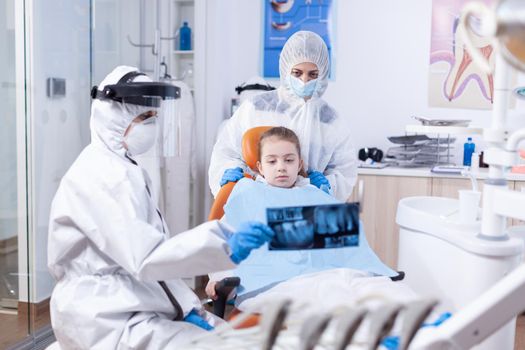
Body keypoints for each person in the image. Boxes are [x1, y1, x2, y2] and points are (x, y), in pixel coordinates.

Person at [47, 66, 274, 349]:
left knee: (230, 336)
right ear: (112, 118)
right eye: (143, 117)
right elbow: (147, 258)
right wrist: (225, 243)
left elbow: (151, 263)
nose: (151, 126)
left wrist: (186, 306)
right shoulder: (104, 176)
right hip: (102, 315)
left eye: (154, 117)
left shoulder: (126, 168)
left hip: (130, 300)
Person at [205, 127, 410, 313]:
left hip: (331, 274)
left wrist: (327, 204)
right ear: (259, 166)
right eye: (272, 161)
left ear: (299, 163)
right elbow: (223, 239)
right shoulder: (248, 193)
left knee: (384, 292)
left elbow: (350, 247)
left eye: (289, 160)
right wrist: (216, 278)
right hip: (274, 284)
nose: (281, 167)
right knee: (340, 304)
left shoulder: (313, 192)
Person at [209, 30, 357, 202]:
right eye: (297, 73)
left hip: (307, 209)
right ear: (287, 70)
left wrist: (327, 186)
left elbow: (344, 171)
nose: (304, 80)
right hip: (256, 203)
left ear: (322, 74)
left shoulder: (331, 121)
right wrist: (229, 172)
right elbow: (227, 153)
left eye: (312, 74)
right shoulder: (256, 108)